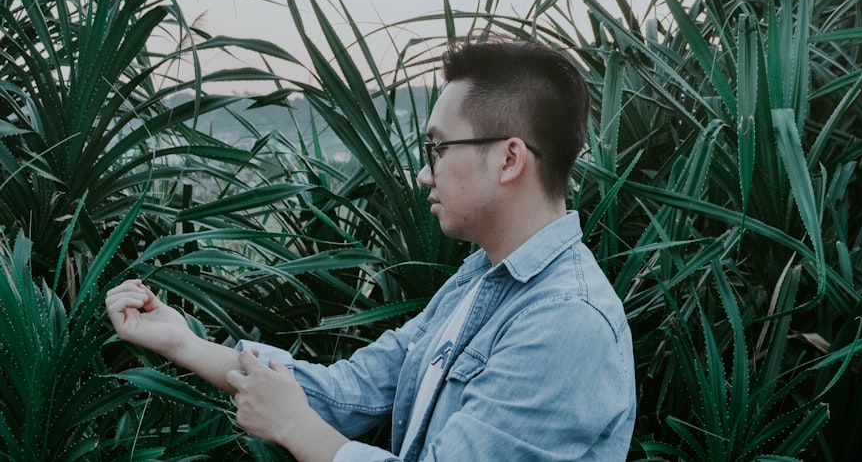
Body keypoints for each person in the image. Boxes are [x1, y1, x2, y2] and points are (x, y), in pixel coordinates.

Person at [106, 36, 636, 461]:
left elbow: (312, 417)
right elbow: (346, 393)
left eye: (438, 148)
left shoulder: (567, 322)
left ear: (509, 160)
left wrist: (298, 430)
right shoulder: (478, 281)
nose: (424, 174)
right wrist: (182, 342)